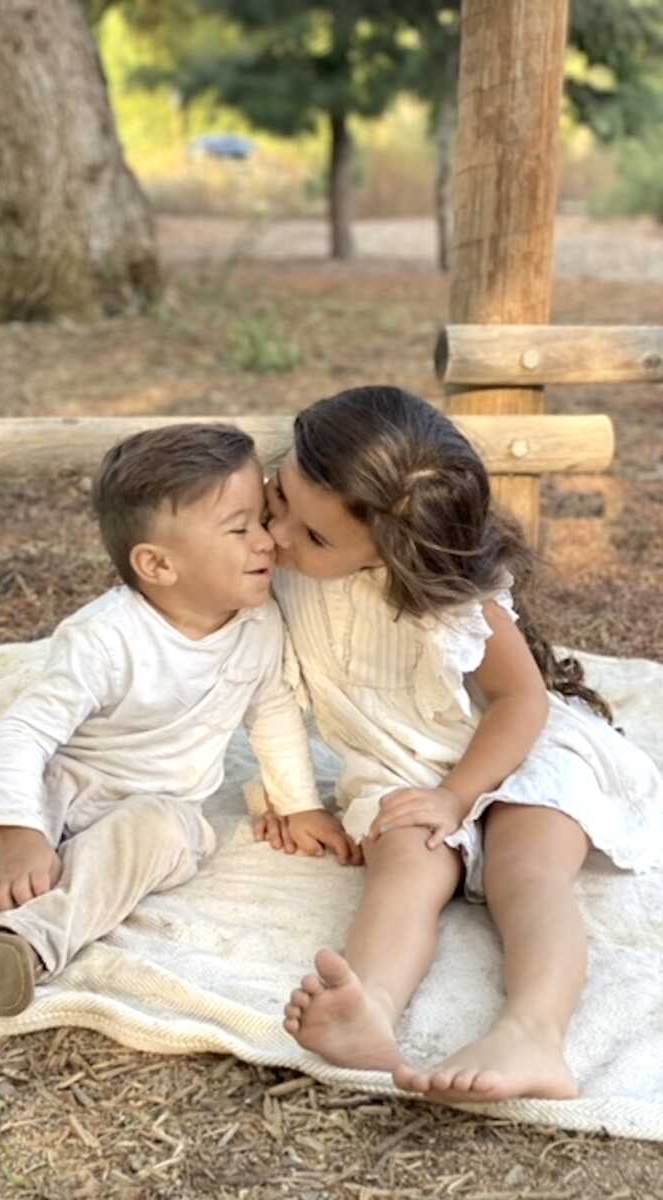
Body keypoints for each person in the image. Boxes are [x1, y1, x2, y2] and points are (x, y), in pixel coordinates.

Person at [0, 422, 357, 1026]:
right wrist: (21, 831)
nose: (267, 542)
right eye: (241, 529)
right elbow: (22, 736)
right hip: (62, 776)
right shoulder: (105, 637)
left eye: (262, 518)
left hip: (159, 801)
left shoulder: (259, 626)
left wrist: (300, 803)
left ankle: (19, 944)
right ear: (157, 564)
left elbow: (275, 711)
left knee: (152, 839)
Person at [255, 386, 663, 1102]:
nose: (281, 533)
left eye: (314, 536)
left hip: (516, 753)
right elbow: (265, 692)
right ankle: (370, 1006)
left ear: (393, 548)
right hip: (399, 767)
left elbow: (520, 699)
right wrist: (288, 798)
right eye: (279, 497)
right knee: (401, 869)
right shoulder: (279, 574)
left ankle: (535, 1033)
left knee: (524, 870)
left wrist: (458, 795)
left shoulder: (444, 600)